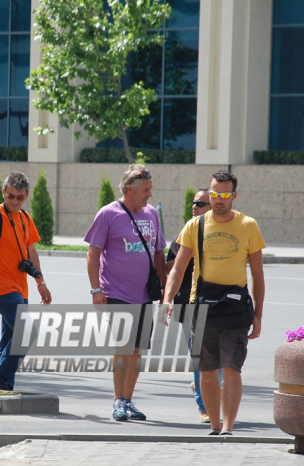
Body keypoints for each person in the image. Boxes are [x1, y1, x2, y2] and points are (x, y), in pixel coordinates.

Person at [165, 169, 265, 436]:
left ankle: (228, 428)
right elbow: (178, 268)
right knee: (207, 372)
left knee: (231, 369)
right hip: (203, 307)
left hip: (235, 308)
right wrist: (167, 299)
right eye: (214, 194)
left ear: (233, 195)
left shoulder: (248, 225)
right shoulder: (195, 226)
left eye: (223, 194)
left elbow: (257, 274)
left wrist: (259, 315)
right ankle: (214, 424)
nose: (218, 199)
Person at [84, 164, 167, 421]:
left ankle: (129, 400)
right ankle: (118, 401)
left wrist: (164, 290)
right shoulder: (108, 214)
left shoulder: (151, 214)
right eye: (145, 190)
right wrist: (96, 289)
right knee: (124, 346)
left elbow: (158, 253)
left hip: (144, 294)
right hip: (116, 291)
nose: (149, 195)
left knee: (138, 350)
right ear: (130, 190)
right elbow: (93, 253)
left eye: (150, 189)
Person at [0, 172, 52, 391]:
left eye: (20, 197)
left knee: (10, 337)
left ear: (27, 195)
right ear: (3, 193)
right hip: (0, 288)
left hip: (20, 288)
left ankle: (3, 384)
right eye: (10, 196)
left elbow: (31, 251)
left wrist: (41, 282)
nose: (15, 201)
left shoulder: (25, 218)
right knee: (28, 331)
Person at [166, 188, 218, 423]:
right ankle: (205, 407)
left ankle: (204, 387)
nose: (195, 206)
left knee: (221, 360)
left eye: (201, 203)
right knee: (200, 358)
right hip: (190, 304)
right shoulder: (186, 232)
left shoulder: (222, 233)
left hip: (221, 304)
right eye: (194, 202)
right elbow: (171, 267)